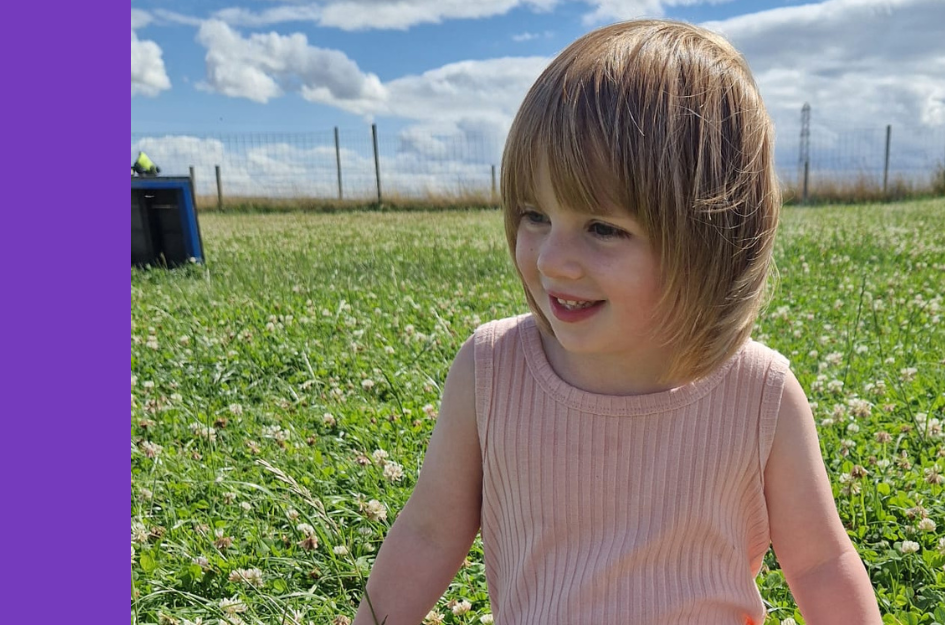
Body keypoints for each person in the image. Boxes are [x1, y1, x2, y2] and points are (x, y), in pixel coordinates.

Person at [350, 19, 881, 625]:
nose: (551, 260)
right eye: (534, 215)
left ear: (712, 238)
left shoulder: (759, 395)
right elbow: (427, 532)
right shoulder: (492, 371)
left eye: (602, 228)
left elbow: (819, 563)